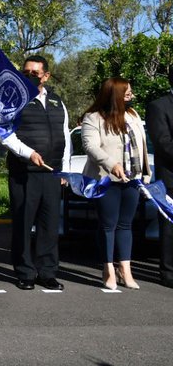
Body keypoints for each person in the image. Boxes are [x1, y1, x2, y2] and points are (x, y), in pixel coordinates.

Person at [2, 55, 71, 291]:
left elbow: (66, 135)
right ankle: (25, 272)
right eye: (26, 72)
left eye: (35, 73)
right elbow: (6, 135)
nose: (30, 76)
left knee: (49, 225)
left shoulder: (56, 102)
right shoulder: (13, 100)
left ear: (46, 76)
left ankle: (48, 272)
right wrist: (28, 152)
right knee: (23, 223)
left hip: (51, 172)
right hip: (25, 172)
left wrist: (65, 169)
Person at [81, 78, 150, 290]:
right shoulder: (93, 118)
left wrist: (145, 173)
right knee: (108, 225)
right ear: (114, 94)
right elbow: (90, 146)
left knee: (126, 225)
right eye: (126, 92)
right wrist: (111, 164)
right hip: (105, 179)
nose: (131, 95)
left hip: (132, 178)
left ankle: (125, 270)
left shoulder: (133, 115)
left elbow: (142, 145)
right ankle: (108, 268)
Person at [141, 69, 173, 289]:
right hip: (171, 178)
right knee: (170, 229)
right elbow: (163, 143)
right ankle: (169, 272)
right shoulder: (159, 106)